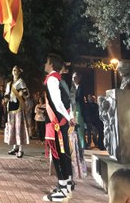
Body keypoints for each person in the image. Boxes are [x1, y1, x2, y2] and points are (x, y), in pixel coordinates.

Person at [43, 53, 75, 202]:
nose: (45, 64)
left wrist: (69, 119)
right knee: (63, 153)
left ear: (51, 65)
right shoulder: (59, 79)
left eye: (46, 62)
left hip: (56, 122)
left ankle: (62, 189)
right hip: (60, 122)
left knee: (58, 154)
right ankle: (66, 185)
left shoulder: (52, 79)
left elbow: (57, 103)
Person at [4, 65, 30, 158]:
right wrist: (5, 100)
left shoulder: (21, 82)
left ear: (19, 72)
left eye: (16, 70)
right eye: (13, 70)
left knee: (19, 127)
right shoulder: (9, 84)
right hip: (11, 107)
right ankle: (14, 147)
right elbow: (6, 94)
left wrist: (23, 93)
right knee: (12, 127)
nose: (15, 72)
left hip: (19, 106)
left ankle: (21, 149)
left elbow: (26, 94)